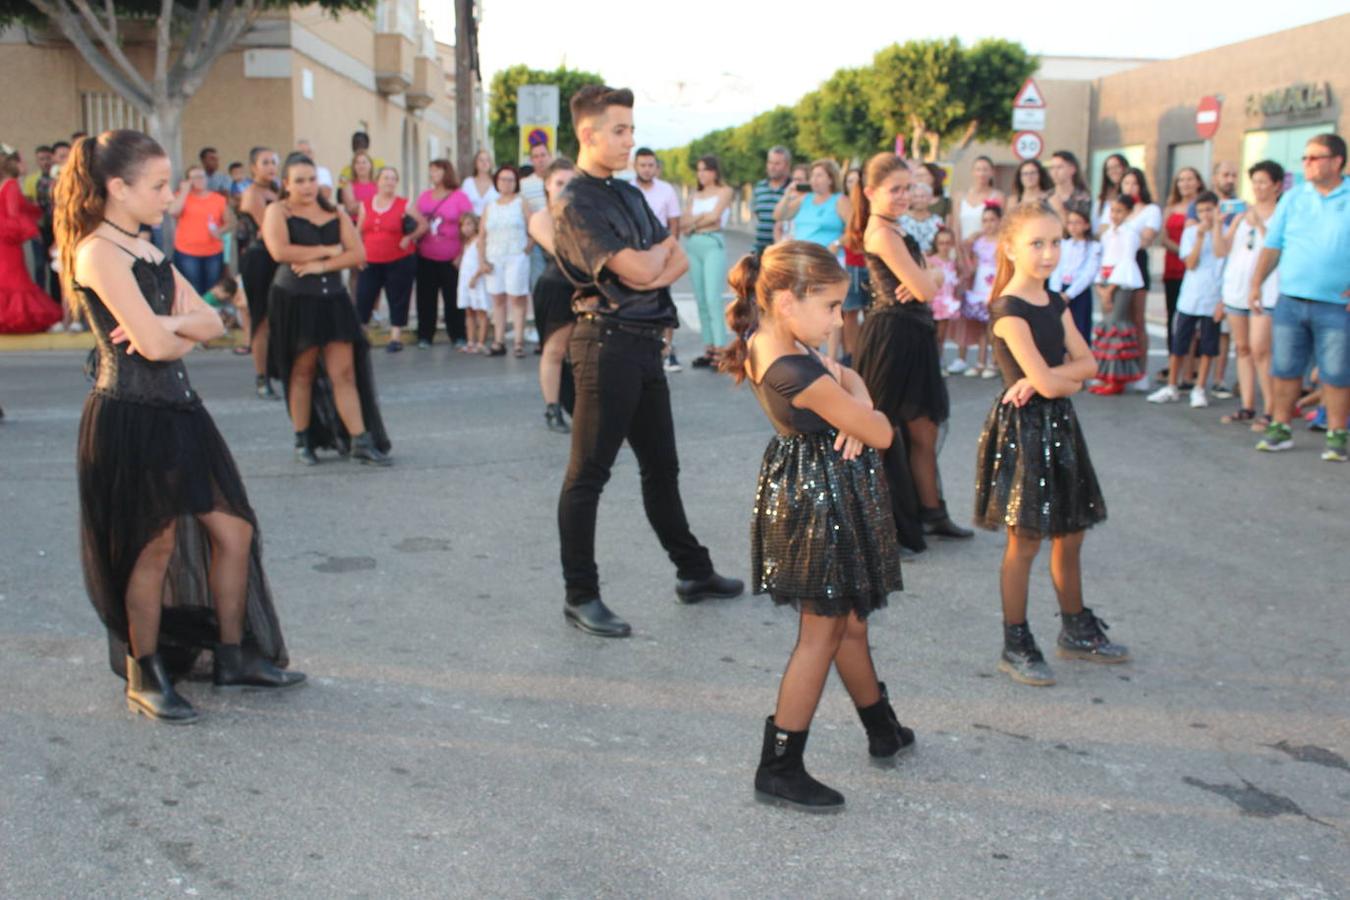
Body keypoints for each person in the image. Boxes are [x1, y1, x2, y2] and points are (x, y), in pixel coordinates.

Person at [54, 130, 304, 723]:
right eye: (159, 186)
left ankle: (232, 656)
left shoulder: (145, 248)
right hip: (130, 417)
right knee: (152, 546)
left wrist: (174, 324)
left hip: (181, 412)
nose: (170, 196)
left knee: (234, 531)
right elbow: (156, 344)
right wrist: (174, 325)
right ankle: (145, 670)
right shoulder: (98, 253)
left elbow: (213, 323)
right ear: (117, 188)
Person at [718, 242, 908, 813]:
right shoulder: (793, 367)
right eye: (829, 307)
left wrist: (858, 396)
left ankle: (882, 727)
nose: (838, 320)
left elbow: (852, 382)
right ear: (784, 300)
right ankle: (778, 766)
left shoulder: (776, 341)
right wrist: (862, 407)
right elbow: (882, 434)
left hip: (820, 490)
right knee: (821, 634)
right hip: (818, 504)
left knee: (848, 622)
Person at [551, 84, 742, 637]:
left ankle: (694, 572)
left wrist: (650, 265)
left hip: (645, 346)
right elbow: (637, 272)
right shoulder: (577, 201)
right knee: (587, 475)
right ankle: (580, 595)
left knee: (663, 469)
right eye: (620, 130)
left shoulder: (631, 194)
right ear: (589, 134)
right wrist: (650, 266)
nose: (630, 140)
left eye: (632, 130)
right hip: (605, 344)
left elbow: (674, 257)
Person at [973, 201, 1124, 687]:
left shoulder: (1055, 303)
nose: (1048, 253)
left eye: (1056, 242)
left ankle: (1075, 628)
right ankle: (1015, 641)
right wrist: (1059, 380)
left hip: (1058, 426)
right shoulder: (1008, 310)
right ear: (1011, 248)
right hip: (1025, 431)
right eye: (1037, 243)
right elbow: (1061, 378)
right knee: (1025, 541)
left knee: (1072, 531)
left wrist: (1055, 380)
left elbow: (1089, 365)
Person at [850, 152, 973, 554]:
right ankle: (889, 525)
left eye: (908, 188)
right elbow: (924, 288)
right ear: (870, 192)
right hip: (893, 338)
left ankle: (931, 512)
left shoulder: (894, 226)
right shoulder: (882, 233)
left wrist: (931, 275)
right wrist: (932, 276)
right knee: (886, 434)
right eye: (895, 189)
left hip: (913, 333)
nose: (904, 196)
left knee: (924, 429)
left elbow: (928, 280)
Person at [263, 152, 391, 466]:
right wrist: (326, 249)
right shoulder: (277, 211)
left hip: (333, 299)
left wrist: (321, 265)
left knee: (343, 373)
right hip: (295, 299)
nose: (307, 187)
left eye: (312, 180)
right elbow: (280, 251)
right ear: (287, 184)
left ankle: (360, 440)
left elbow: (357, 253)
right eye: (300, 181)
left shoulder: (334, 212)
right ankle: (303, 439)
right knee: (302, 371)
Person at [1250, 134, 1350, 462]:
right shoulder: (1294, 199)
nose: (1306, 163)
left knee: (1336, 372)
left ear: (1336, 161)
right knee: (1285, 369)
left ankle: (1336, 435)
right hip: (1291, 301)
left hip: (1336, 304)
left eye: (1314, 157)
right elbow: (1273, 246)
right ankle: (1280, 427)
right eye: (1305, 157)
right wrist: (1256, 284)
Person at [1215, 160, 1283, 428]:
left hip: (1267, 291)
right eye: (1254, 182)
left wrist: (1261, 226)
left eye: (1263, 182)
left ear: (1277, 185)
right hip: (1236, 290)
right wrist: (1216, 226)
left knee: (1260, 350)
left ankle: (1271, 410)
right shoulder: (1243, 213)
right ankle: (1247, 405)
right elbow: (1222, 250)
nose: (1258, 188)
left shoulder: (1281, 214)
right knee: (1242, 348)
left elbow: (1278, 249)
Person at [1148, 192, 1225, 408]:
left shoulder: (1226, 233)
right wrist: (1200, 237)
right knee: (1180, 342)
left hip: (1213, 297)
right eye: (1201, 211)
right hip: (1191, 296)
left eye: (1209, 209)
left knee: (1208, 346)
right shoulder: (1191, 233)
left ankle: (1199, 387)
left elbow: (1222, 256)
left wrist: (1217, 228)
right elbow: (1190, 263)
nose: (1206, 215)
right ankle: (1172, 385)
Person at [529, 157, 579, 434]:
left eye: (571, 183)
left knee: (579, 351)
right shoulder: (541, 217)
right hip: (555, 287)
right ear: (547, 184)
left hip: (581, 287)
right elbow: (563, 253)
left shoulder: (583, 215)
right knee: (555, 350)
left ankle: (578, 407)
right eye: (559, 183)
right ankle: (552, 409)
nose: (565, 188)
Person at [356, 166, 425, 352]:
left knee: (398, 296)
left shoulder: (404, 203)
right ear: (377, 181)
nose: (389, 182)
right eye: (385, 178)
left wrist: (409, 238)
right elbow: (358, 231)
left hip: (399, 258)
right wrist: (357, 253)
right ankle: (361, 335)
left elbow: (423, 224)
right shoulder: (366, 204)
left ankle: (395, 337)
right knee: (364, 295)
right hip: (371, 259)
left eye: (393, 179)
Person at [0, 144, 62, 333]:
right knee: (16, 279)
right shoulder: (11, 185)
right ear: (14, 164)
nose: (25, 165)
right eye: (22, 161)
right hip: (8, 242)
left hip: (5, 242)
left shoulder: (4, 185)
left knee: (9, 279)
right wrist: (32, 232)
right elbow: (13, 215)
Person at [633, 147, 684, 372]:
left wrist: (670, 250)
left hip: (661, 251)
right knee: (635, 300)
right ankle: (638, 349)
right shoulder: (627, 190)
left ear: (656, 167)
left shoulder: (666, 190)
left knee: (663, 301)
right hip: (633, 253)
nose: (646, 169)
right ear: (635, 166)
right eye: (642, 165)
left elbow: (674, 223)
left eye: (650, 165)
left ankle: (667, 350)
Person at [1089, 194, 1146, 395]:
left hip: (1121, 282)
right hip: (1105, 280)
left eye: (1120, 211)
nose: (1115, 215)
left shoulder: (1130, 234)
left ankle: (1117, 378)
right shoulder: (1107, 235)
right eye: (1112, 210)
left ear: (1129, 213)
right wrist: (1101, 287)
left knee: (1117, 326)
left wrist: (1110, 289)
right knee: (1106, 327)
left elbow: (1126, 261)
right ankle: (1105, 376)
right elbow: (1102, 259)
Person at [681, 154, 734, 369]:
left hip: (713, 245)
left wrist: (694, 223)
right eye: (699, 169)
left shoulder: (725, 191)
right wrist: (697, 223)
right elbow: (684, 222)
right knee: (700, 299)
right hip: (693, 246)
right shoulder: (695, 196)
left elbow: (716, 218)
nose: (701, 173)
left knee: (713, 298)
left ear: (715, 171)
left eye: (706, 169)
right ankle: (709, 347)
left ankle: (722, 350)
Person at [236, 147, 281, 397]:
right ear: (253, 167)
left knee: (278, 318)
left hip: (276, 258)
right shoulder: (252, 194)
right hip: (260, 259)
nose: (271, 166)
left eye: (273, 161)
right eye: (265, 162)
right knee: (261, 319)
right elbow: (270, 228)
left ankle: (277, 369)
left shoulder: (274, 190)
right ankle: (262, 377)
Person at [414, 159, 473, 348]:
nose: (433, 175)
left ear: (446, 172)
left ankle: (457, 335)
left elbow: (469, 226)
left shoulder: (459, 197)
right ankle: (425, 335)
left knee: (453, 298)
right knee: (426, 298)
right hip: (426, 255)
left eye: (437, 171)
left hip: (451, 257)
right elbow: (415, 220)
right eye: (431, 171)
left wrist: (462, 254)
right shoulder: (424, 196)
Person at [478, 164, 532, 357]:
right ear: (496, 181)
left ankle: (518, 342)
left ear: (516, 182)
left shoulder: (521, 202)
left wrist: (529, 246)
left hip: (516, 255)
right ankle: (498, 341)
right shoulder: (490, 206)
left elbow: (533, 226)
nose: (506, 183)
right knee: (498, 299)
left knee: (517, 298)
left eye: (510, 180)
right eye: (502, 179)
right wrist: (482, 259)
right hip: (494, 256)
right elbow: (482, 235)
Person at [1118, 167, 1162, 388]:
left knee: (1137, 319)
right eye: (1126, 183)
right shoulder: (1116, 208)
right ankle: (1117, 370)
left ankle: (1141, 371)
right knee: (1117, 319)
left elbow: (1146, 239)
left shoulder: (1150, 210)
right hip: (1115, 264)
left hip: (1136, 262)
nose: (1130, 188)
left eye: (1134, 183)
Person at [1160, 167, 1205, 376]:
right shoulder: (1171, 207)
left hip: (1198, 268)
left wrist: (1191, 255)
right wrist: (1183, 253)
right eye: (1181, 180)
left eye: (1189, 179)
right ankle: (1174, 363)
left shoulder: (1203, 207)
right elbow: (1164, 238)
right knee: (1174, 318)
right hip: (1174, 266)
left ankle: (1193, 367)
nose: (1185, 184)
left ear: (1198, 182)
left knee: (1197, 320)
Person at [952, 202, 1001, 378]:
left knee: (995, 327)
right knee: (981, 325)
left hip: (996, 283)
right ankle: (980, 361)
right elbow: (965, 253)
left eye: (992, 220)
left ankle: (994, 362)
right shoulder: (978, 242)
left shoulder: (1003, 242)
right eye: (985, 220)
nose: (989, 224)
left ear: (999, 221)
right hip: (980, 284)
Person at [168, 165, 229, 296]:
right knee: (192, 289)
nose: (199, 180)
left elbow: (230, 222)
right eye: (194, 177)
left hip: (213, 251)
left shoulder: (218, 199)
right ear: (188, 181)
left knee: (212, 289)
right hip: (187, 252)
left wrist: (220, 231)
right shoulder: (181, 196)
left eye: (202, 176)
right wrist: (184, 191)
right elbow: (173, 212)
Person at [775, 159, 850, 256]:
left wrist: (837, 243)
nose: (814, 179)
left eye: (819, 175)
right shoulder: (804, 199)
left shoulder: (840, 200)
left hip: (827, 259)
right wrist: (786, 195)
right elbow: (779, 216)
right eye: (812, 175)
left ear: (830, 179)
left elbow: (855, 228)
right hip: (802, 257)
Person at [1049, 204, 1101, 343]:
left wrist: (1069, 294)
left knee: (1079, 330)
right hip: (1060, 290)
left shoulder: (1093, 247)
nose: (1073, 227)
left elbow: (1089, 273)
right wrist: (1056, 292)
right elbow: (1056, 267)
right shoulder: (1063, 244)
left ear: (1087, 225)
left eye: (1077, 223)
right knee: (1058, 331)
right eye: (1070, 223)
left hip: (1078, 292)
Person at [519, 140, 553, 291]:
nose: (540, 159)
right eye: (536, 156)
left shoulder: (560, 180)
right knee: (539, 284)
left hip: (559, 239)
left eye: (543, 155)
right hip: (536, 242)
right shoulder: (524, 184)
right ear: (531, 160)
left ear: (550, 156)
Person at [455, 213, 490, 352]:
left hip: (477, 281)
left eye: (469, 224)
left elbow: (483, 262)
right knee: (469, 312)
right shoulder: (466, 243)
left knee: (481, 311)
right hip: (466, 281)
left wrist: (475, 277)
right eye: (463, 225)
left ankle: (481, 343)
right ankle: (471, 342)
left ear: (476, 225)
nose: (466, 228)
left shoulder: (479, 241)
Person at [927, 227, 963, 354]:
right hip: (933, 302)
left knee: (941, 336)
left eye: (948, 243)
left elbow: (964, 274)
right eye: (941, 243)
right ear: (936, 244)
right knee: (930, 335)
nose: (945, 247)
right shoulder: (931, 261)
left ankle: (938, 361)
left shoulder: (954, 262)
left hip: (947, 302)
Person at [957, 156, 1005, 244]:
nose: (981, 173)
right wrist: (960, 251)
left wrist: (978, 235)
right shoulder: (960, 196)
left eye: (985, 170)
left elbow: (1001, 225)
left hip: (987, 250)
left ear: (992, 172)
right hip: (963, 249)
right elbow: (956, 227)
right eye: (978, 169)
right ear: (972, 172)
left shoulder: (998, 196)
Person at [751, 146, 791, 251]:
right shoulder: (759, 187)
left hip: (783, 250)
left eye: (777, 164)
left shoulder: (793, 189)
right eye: (770, 162)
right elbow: (756, 215)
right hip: (759, 249)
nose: (772, 167)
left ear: (787, 166)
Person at [899, 181, 942, 254]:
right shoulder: (901, 219)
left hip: (930, 262)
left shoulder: (937, 221)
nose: (919, 200)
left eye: (922, 196)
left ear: (930, 199)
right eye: (915, 196)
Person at [337, 150, 377, 221]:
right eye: (357, 163)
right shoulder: (348, 185)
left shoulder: (378, 185)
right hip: (355, 224)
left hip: (376, 223)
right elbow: (351, 208)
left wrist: (359, 204)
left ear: (370, 165)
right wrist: (374, 203)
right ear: (354, 167)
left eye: (364, 162)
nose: (361, 166)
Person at [1094, 153, 1128, 231]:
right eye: (1109, 169)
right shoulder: (1102, 197)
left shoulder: (1129, 196)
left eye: (1116, 167)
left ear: (1125, 168)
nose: (1113, 171)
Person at [462, 149, 498, 216]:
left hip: (492, 222)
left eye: (487, 160)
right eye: (481, 160)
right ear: (475, 163)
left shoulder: (497, 183)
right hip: (472, 223)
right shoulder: (468, 182)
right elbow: (462, 204)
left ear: (491, 164)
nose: (484, 163)